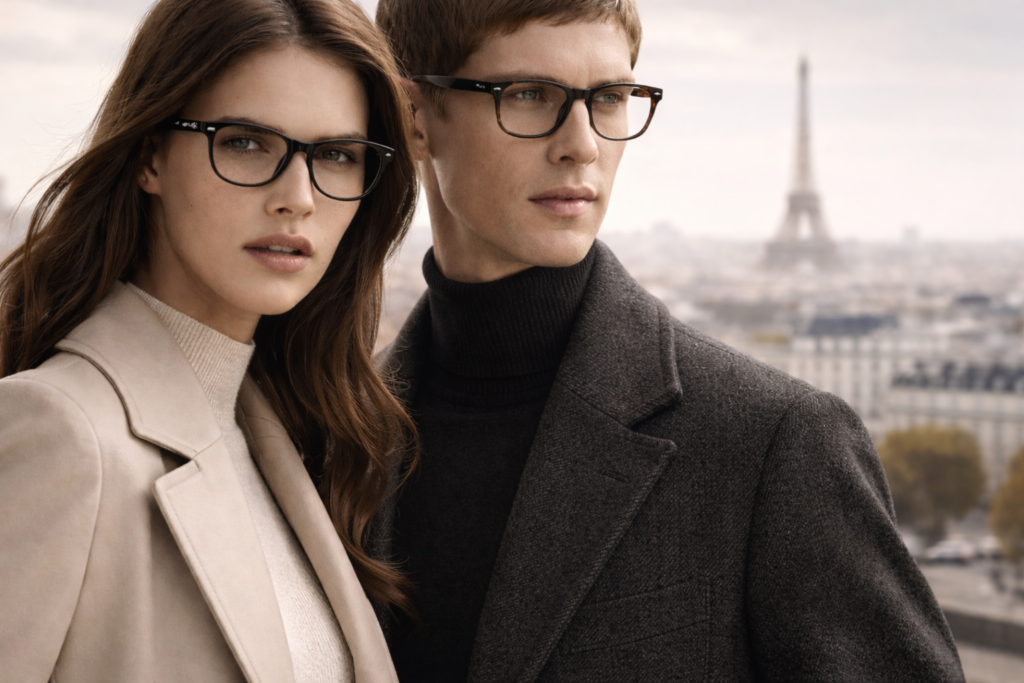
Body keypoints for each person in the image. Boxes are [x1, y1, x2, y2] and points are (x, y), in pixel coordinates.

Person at [372, 0, 966, 680]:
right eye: (529, 95)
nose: (583, 143)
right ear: (415, 116)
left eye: (611, 97)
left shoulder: (775, 442)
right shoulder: (332, 439)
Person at [0, 0, 417, 681]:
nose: (298, 196)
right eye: (246, 142)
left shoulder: (278, 435)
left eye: (336, 155)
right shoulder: (58, 434)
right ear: (150, 156)